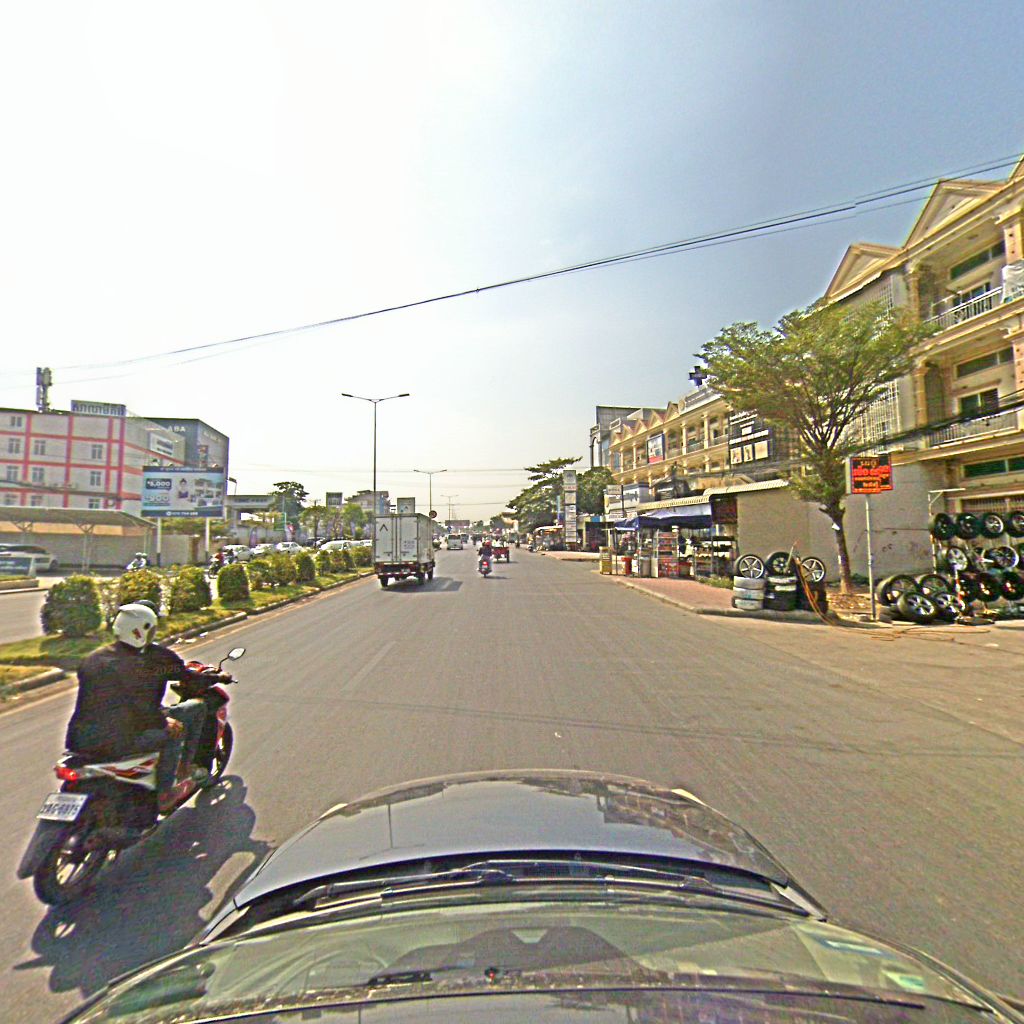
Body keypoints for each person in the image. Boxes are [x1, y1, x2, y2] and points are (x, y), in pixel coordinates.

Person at [64, 603, 230, 796]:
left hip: (79, 738)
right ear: (142, 630)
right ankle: (171, 785)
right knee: (183, 723)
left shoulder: (93, 658)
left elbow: (115, 700)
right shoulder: (154, 658)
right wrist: (217, 677)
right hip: (122, 736)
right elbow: (181, 679)